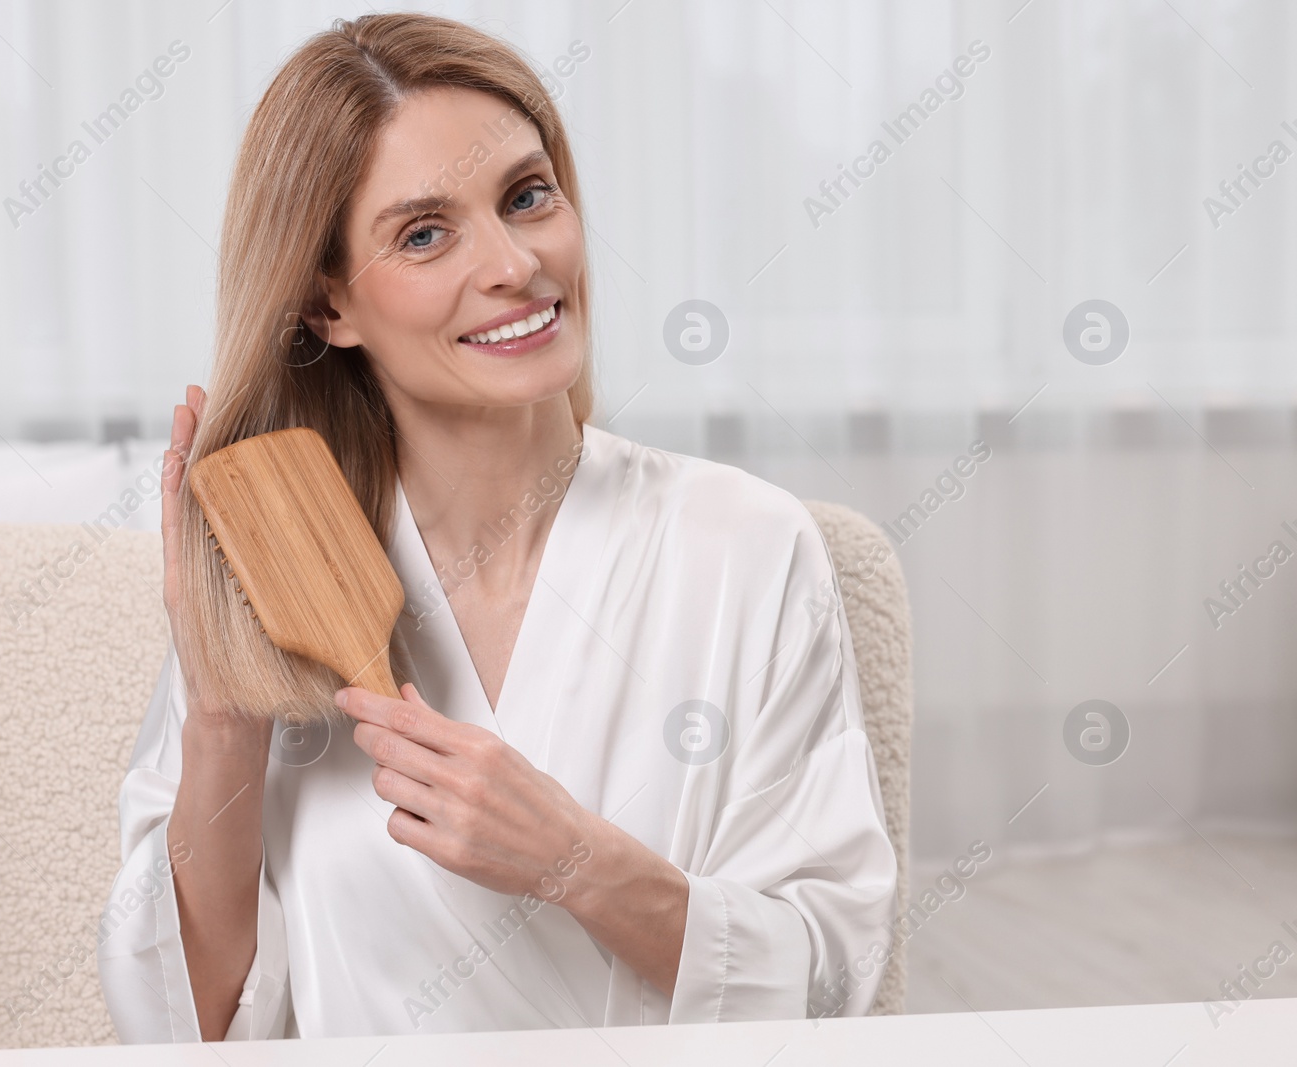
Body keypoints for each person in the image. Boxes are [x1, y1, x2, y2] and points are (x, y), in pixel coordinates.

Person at [96, 11, 896, 1043]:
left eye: (527, 196)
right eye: (424, 233)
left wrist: (578, 861)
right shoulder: (284, 577)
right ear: (323, 304)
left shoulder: (746, 547)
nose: (514, 262)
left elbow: (832, 982)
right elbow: (179, 1026)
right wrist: (218, 716)